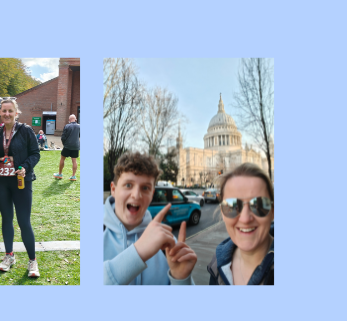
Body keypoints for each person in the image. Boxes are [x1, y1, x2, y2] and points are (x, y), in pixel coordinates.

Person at [103, 152, 196, 285]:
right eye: (128, 185)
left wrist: (181, 279)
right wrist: (138, 252)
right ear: (113, 189)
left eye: (145, 188)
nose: (136, 195)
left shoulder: (166, 243)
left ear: (152, 194)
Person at [0, 99, 41, 277]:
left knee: (23, 221)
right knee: (6, 219)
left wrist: (25, 167)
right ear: (0, 113)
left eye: (10, 111)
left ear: (16, 113)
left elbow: (36, 153)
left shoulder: (25, 130)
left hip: (21, 181)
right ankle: (9, 256)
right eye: (3, 111)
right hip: (2, 182)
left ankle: (32, 261)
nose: (6, 114)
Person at [207, 163, 274, 285]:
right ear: (222, 212)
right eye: (232, 206)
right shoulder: (217, 263)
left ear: (273, 211)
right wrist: (181, 279)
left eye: (258, 204)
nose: (245, 219)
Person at [54, 114, 80, 181]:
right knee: (74, 160)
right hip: (76, 146)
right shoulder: (79, 126)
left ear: (69, 120)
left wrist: (64, 144)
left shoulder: (67, 126)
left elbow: (63, 137)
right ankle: (73, 176)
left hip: (67, 145)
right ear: (75, 119)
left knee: (62, 158)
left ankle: (59, 174)